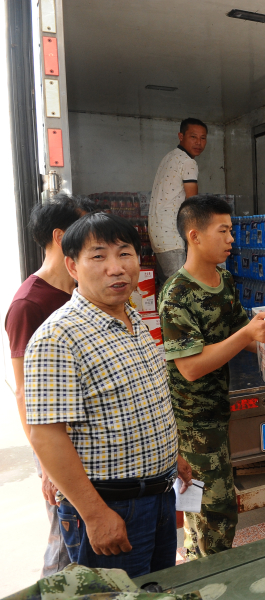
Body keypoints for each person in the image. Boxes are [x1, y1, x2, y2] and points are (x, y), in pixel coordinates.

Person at [25, 212, 193, 578]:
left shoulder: (134, 319)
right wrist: (95, 514)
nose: (116, 268)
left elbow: (145, 398)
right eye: (98, 257)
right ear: (72, 265)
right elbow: (46, 434)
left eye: (124, 254)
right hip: (111, 506)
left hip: (160, 497)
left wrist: (172, 455)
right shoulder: (58, 337)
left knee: (156, 587)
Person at [158, 195, 265, 560]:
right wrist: (248, 335)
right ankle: (213, 578)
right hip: (192, 422)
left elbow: (237, 330)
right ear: (195, 236)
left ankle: (197, 562)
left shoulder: (223, 280)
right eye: (224, 231)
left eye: (231, 231)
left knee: (202, 506)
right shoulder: (177, 294)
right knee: (216, 511)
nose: (232, 239)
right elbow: (191, 366)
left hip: (217, 411)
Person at [5, 195, 94, 577]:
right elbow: (26, 393)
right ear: (60, 237)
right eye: (84, 230)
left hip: (94, 443)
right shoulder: (30, 303)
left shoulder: (81, 291)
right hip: (63, 449)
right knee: (65, 554)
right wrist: (46, 465)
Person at [149, 117, 207, 282]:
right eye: (193, 137)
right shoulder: (188, 162)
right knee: (179, 290)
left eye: (203, 138)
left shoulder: (170, 157)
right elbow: (192, 202)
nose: (199, 142)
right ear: (181, 136)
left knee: (167, 289)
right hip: (172, 236)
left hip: (159, 234)